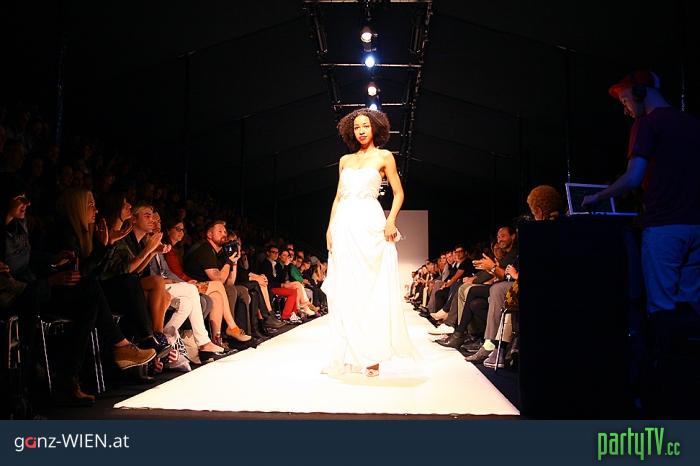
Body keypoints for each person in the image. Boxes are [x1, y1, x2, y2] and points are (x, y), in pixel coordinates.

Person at [583, 70, 700, 415]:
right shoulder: (692, 123)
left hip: (664, 228)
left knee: (661, 310)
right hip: (697, 226)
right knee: (691, 308)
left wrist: (598, 197)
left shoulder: (646, 124)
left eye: (624, 100)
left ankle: (663, 396)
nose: (625, 109)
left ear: (639, 92)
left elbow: (633, 178)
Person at [322, 108, 415, 377]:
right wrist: (329, 228)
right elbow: (338, 197)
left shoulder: (384, 157)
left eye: (365, 126)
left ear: (375, 128)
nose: (361, 130)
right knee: (345, 289)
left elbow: (399, 193)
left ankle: (372, 357)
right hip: (344, 224)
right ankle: (347, 354)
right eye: (357, 127)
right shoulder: (345, 160)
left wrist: (391, 220)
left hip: (370, 223)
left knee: (371, 288)